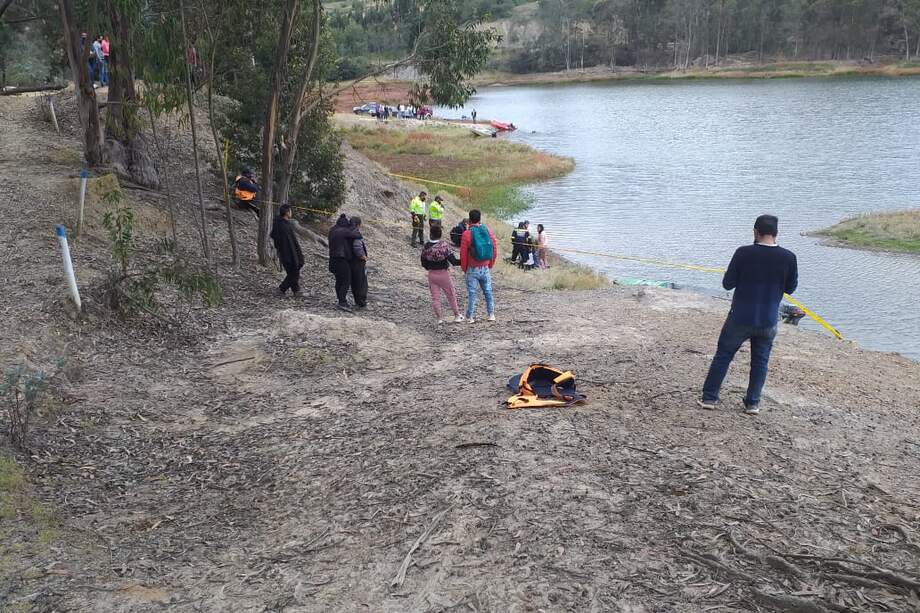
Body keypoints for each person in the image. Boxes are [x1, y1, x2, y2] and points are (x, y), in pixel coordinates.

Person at [699, 215, 799, 415]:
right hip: (768, 318)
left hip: (741, 316)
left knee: (724, 355)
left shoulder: (743, 253)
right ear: (776, 233)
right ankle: (752, 403)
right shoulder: (789, 257)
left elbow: (727, 283)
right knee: (760, 361)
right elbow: (791, 288)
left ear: (755, 232)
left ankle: (710, 397)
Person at [460, 209, 498, 323]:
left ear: (469, 219)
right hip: (485, 267)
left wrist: (464, 268)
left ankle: (470, 317)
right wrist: (491, 263)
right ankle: (491, 314)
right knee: (488, 291)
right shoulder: (487, 230)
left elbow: (463, 254)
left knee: (472, 293)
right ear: (480, 219)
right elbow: (494, 248)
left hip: (472, 268)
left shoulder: (467, 234)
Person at [421, 226, 463, 324]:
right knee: (451, 295)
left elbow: (423, 263)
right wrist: (466, 261)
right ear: (440, 235)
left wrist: (430, 268)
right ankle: (457, 315)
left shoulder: (426, 246)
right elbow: (454, 262)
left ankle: (439, 319)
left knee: (435, 298)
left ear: (431, 234)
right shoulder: (444, 245)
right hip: (444, 274)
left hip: (431, 275)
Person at [269, 205, 304, 297]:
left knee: (293, 272)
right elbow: (286, 242)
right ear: (287, 213)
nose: (291, 213)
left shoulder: (282, 223)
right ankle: (281, 289)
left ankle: (296, 291)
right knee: (293, 272)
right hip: (287, 254)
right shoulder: (282, 225)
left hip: (287, 253)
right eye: (290, 211)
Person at [328, 213, 360, 312]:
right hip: (341, 259)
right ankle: (342, 302)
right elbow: (358, 235)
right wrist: (354, 227)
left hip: (332, 258)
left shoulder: (333, 230)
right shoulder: (344, 231)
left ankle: (340, 299)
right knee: (346, 280)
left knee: (339, 279)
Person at [349, 217, 368, 310]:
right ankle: (361, 301)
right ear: (358, 225)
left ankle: (357, 300)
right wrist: (363, 257)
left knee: (354, 282)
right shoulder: (356, 234)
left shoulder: (347, 232)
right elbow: (357, 247)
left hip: (350, 261)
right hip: (357, 261)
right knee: (361, 282)